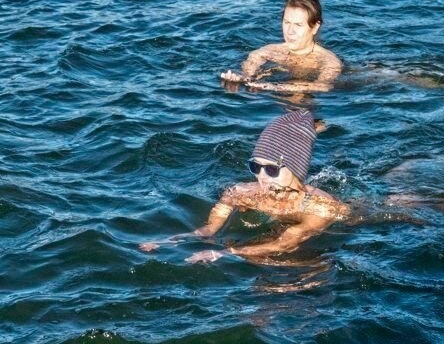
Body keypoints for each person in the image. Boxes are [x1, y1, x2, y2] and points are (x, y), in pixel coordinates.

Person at [141, 110, 350, 263]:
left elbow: (284, 244)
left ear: (296, 170)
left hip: (343, 227)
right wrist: (170, 241)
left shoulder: (321, 207)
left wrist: (225, 253)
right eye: (255, 167)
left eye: (271, 170)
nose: (261, 177)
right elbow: (209, 229)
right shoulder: (241, 193)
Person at [220, 0, 343, 94]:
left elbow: (323, 87)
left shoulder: (329, 62)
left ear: (315, 27)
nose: (290, 31)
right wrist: (240, 79)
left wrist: (274, 87)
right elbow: (249, 72)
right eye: (287, 22)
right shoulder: (268, 51)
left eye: (298, 25)